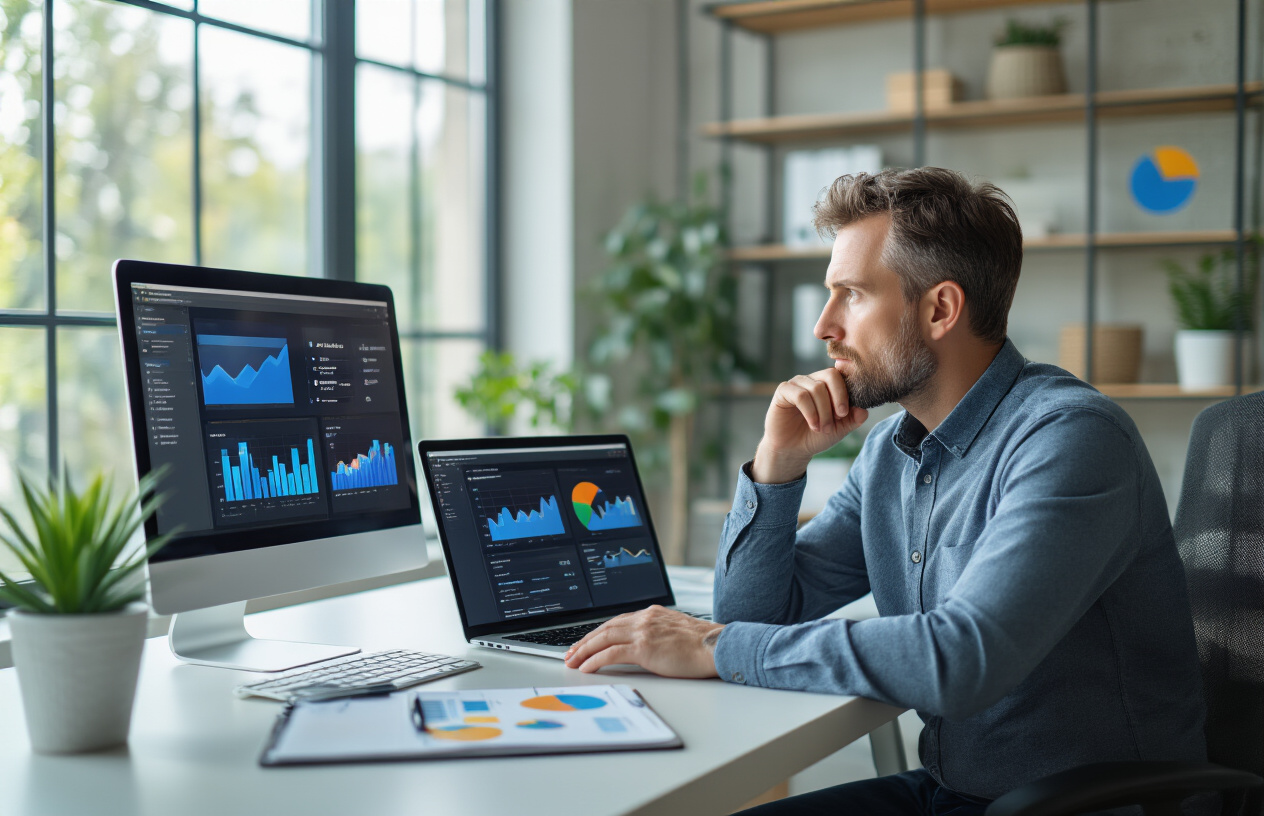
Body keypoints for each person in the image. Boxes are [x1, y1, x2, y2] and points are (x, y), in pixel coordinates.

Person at [564, 167, 1207, 813]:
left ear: (940, 309)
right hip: (956, 791)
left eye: (851, 294)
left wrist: (710, 646)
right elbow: (755, 613)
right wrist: (777, 463)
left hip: (1083, 805)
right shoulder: (890, 452)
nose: (823, 326)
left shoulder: (1070, 439)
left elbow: (962, 659)